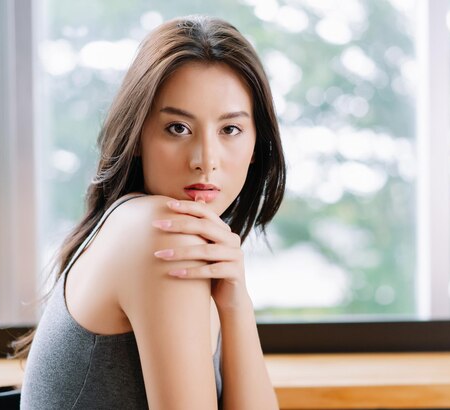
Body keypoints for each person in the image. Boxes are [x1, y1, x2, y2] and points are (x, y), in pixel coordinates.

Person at [16, 14, 286, 410]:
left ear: (256, 144)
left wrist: (236, 304)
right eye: (178, 128)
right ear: (138, 135)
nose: (205, 160)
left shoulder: (168, 233)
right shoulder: (161, 232)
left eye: (229, 130)